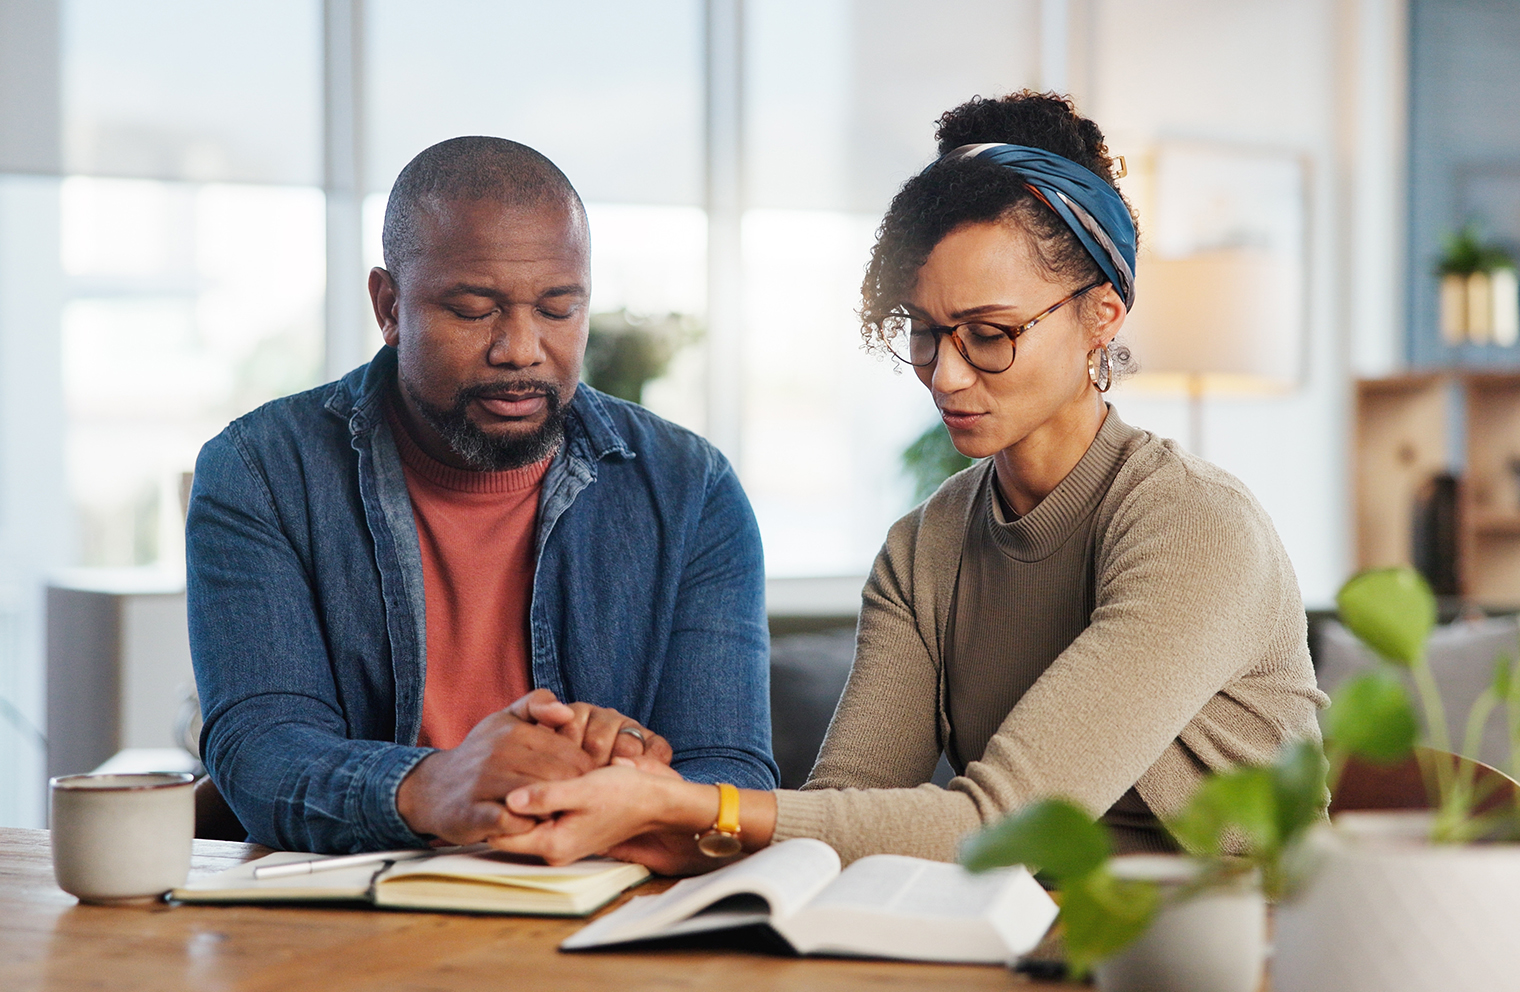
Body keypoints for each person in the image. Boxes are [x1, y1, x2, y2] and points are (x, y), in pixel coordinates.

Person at [483, 92, 1328, 873]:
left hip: (1243, 946)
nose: (946, 377)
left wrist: (699, 804)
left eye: (991, 334)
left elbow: (999, 821)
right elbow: (840, 811)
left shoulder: (1192, 526)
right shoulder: (924, 548)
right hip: (1022, 937)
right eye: (924, 332)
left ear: (1102, 314)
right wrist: (653, 822)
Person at [186, 136, 777, 854]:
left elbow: (730, 775)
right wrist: (438, 783)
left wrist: (626, 786)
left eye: (559, 310)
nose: (522, 349)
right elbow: (261, 751)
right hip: (345, 924)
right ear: (389, 305)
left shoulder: (691, 491)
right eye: (473, 310)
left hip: (599, 913)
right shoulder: (261, 473)